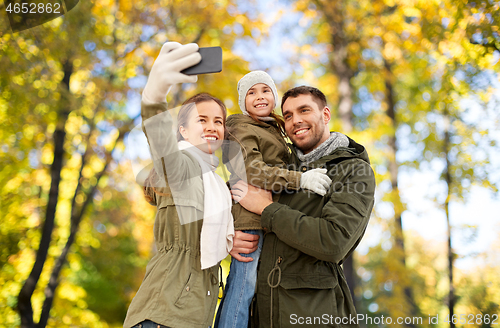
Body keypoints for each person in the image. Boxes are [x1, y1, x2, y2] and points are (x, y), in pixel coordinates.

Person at [230, 86, 376, 328]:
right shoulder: (280, 167)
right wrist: (230, 235)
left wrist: (267, 210)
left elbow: (334, 241)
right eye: (287, 115)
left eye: (304, 110)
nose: (295, 120)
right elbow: (236, 188)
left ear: (326, 115)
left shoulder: (353, 169)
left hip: (314, 313)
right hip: (261, 313)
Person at [123, 42, 233, 328]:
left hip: (195, 317)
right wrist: (155, 92)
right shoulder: (181, 166)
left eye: (219, 121)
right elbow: (159, 135)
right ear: (183, 130)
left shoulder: (219, 185)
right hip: (162, 316)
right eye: (202, 119)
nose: (213, 126)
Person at [215, 72, 332, 328]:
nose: (259, 97)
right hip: (251, 221)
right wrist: (300, 180)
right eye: (251, 92)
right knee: (243, 286)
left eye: (265, 90)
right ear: (242, 101)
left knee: (257, 289)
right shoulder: (241, 128)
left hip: (269, 218)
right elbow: (251, 170)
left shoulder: (272, 128)